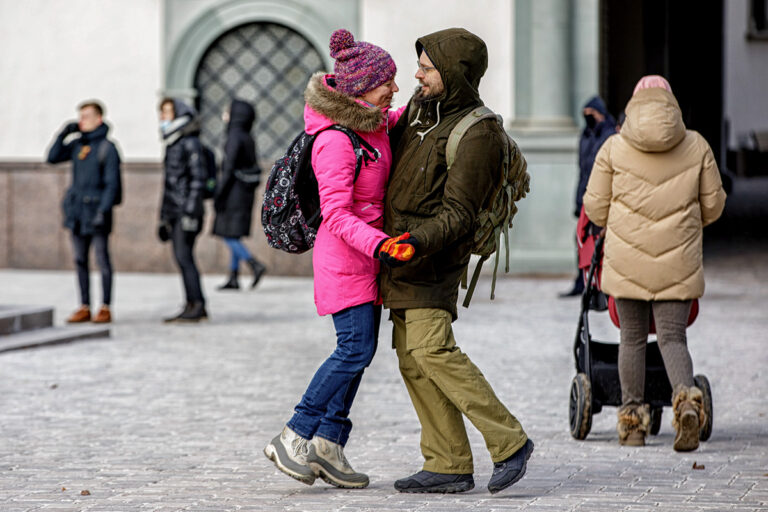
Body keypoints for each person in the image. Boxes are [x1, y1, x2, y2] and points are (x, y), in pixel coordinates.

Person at [380, 28, 533, 495]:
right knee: (411, 360)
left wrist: (414, 242)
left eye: (426, 68)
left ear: (452, 73)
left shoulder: (478, 132)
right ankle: (447, 461)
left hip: (431, 258)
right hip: (401, 259)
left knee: (431, 350)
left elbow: (460, 215)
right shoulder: (421, 111)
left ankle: (510, 442)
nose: (417, 74)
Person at [263, 29, 409, 489]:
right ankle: (295, 433)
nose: (395, 89)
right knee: (354, 349)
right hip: (344, 259)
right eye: (388, 80)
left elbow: (404, 116)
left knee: (360, 354)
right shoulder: (335, 142)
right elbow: (338, 216)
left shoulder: (374, 126)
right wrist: (382, 245)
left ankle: (329, 444)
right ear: (364, 86)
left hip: (368, 258)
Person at [583, 75, 726, 451]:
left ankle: (632, 425)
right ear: (671, 104)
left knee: (630, 339)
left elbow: (595, 208)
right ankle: (687, 402)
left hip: (627, 261)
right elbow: (713, 206)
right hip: (677, 261)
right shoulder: (696, 145)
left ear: (633, 104)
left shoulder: (613, 147)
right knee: (673, 338)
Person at [46, 100, 121, 324]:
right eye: (80, 117)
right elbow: (52, 158)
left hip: (97, 210)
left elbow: (112, 184)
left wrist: (103, 210)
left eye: (86, 116)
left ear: (98, 119)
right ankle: (84, 305)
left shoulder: (108, 148)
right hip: (77, 211)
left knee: (102, 259)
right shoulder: (78, 145)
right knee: (79, 259)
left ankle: (106, 306)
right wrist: (63, 133)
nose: (82, 121)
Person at [560, 96, 617, 298]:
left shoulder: (610, 136)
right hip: (585, 196)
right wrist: (578, 200)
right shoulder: (585, 136)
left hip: (602, 198)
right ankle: (582, 282)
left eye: (591, 114)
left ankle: (600, 286)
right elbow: (582, 171)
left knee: (601, 243)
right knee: (581, 241)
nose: (587, 118)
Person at [157, 98, 208, 322]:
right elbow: (169, 185)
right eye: (162, 113)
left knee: (184, 257)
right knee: (182, 257)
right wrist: (163, 217)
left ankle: (197, 305)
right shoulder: (174, 143)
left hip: (186, 211)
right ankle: (191, 303)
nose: (162, 118)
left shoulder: (190, 143)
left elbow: (198, 180)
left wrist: (189, 211)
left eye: (167, 113)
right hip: (175, 211)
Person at [212, 99, 267, 290]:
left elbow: (228, 167)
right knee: (234, 233)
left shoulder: (234, 136)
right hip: (244, 192)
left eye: (228, 111)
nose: (224, 115)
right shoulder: (247, 136)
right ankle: (233, 276)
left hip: (233, 192)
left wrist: (219, 193)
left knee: (228, 234)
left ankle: (254, 264)